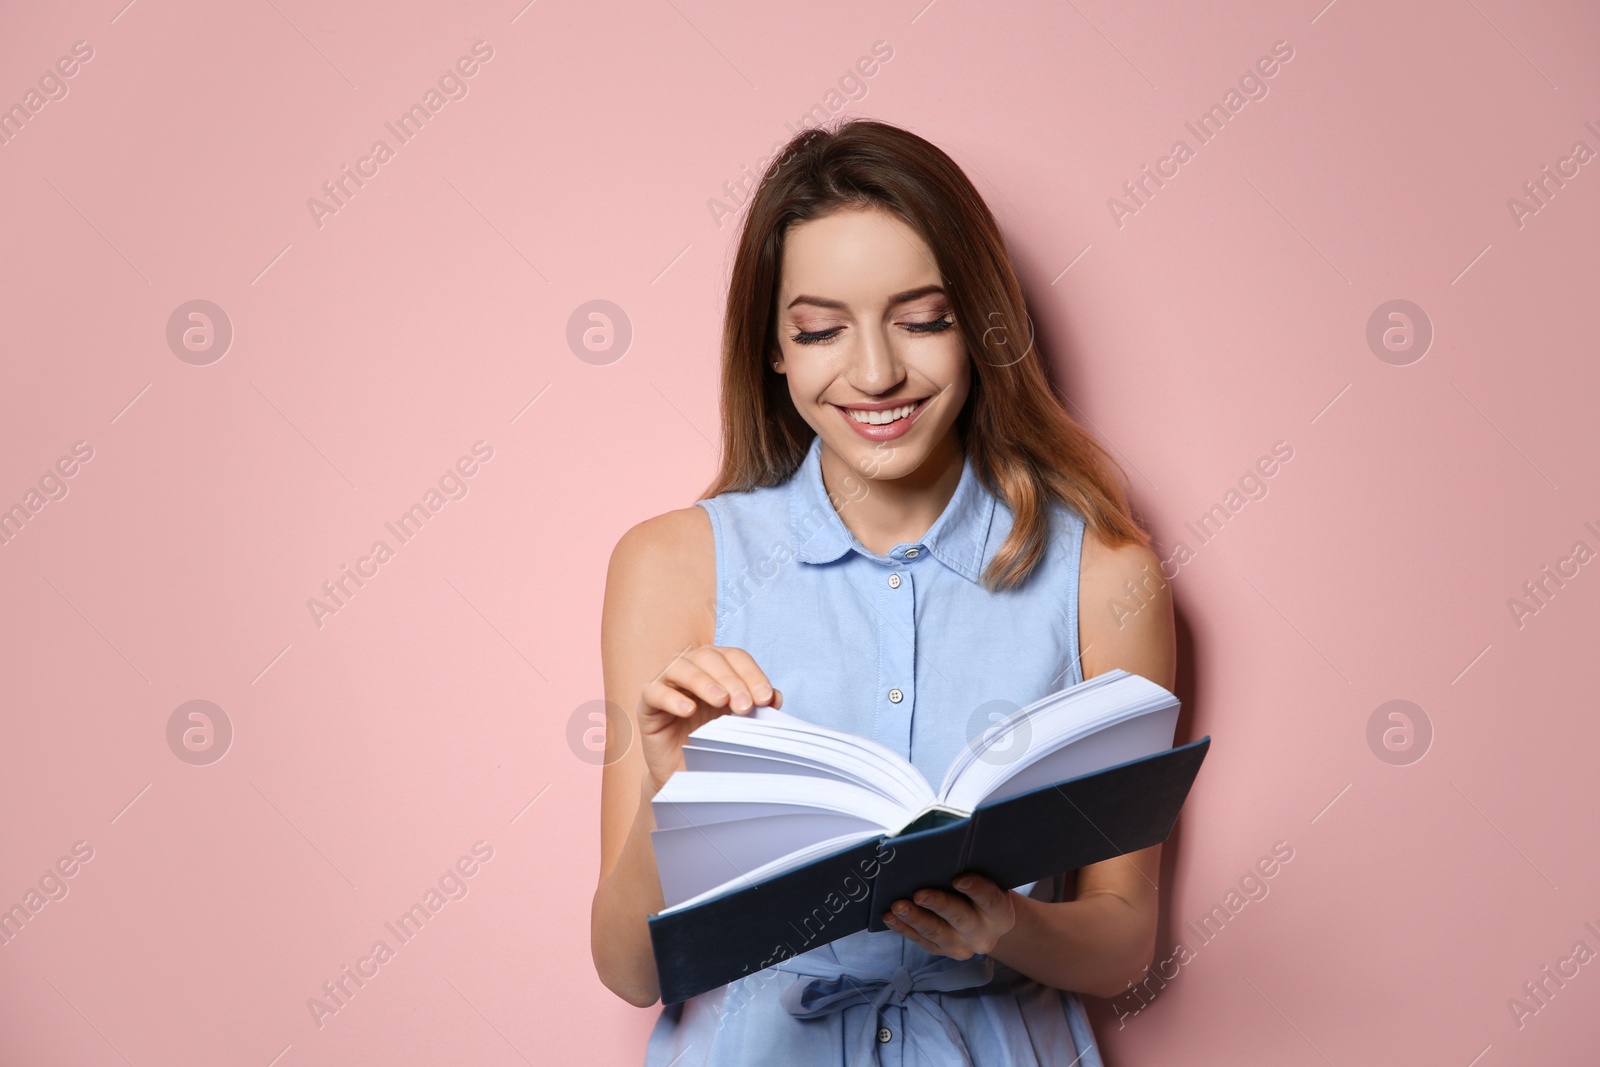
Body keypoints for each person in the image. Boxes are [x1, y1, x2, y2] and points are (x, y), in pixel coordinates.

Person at [591, 118, 1176, 1065]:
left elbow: (1123, 940)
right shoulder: (671, 566)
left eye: (923, 319)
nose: (874, 373)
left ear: (981, 327)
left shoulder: (1106, 576)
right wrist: (675, 795)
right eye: (820, 329)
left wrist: (1005, 929)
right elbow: (627, 968)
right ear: (774, 347)